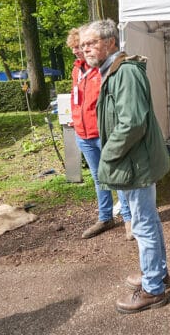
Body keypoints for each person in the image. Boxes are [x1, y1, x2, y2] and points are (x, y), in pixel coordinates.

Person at [80, 19, 170, 313]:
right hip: (133, 161)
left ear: (110, 42)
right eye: (83, 45)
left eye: (91, 43)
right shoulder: (112, 71)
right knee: (148, 221)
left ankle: (153, 289)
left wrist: (108, 155)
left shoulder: (125, 72)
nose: (85, 49)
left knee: (143, 225)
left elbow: (132, 123)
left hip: (135, 162)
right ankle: (156, 273)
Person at [66, 26, 133, 240]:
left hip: (103, 132)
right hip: (82, 133)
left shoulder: (102, 67)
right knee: (98, 177)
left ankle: (129, 219)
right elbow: (77, 98)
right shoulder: (77, 70)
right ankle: (105, 217)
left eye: (80, 47)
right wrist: (75, 119)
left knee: (116, 176)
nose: (77, 51)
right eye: (74, 48)